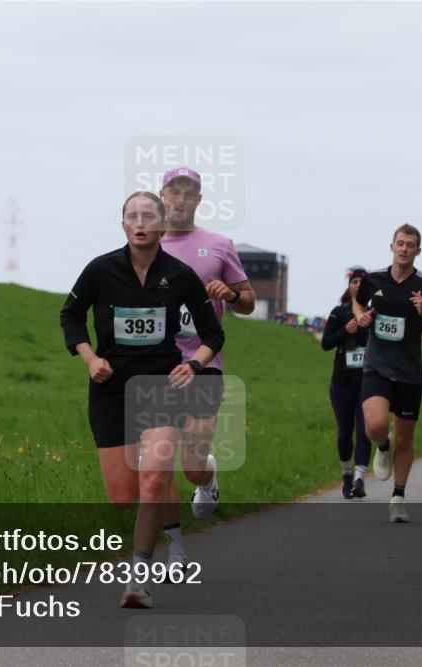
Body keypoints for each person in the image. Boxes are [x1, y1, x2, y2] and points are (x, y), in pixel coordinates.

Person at [60, 191, 224, 608]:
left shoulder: (182, 275)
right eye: (132, 216)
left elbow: (213, 334)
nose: (140, 222)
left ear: (163, 226)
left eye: (148, 216)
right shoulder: (100, 270)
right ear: (123, 226)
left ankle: (138, 577)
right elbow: (70, 316)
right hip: (111, 390)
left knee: (153, 479)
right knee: (122, 497)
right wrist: (90, 357)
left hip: (161, 387)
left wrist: (197, 365)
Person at [157, 167, 256, 574]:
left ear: (199, 200)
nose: (181, 199)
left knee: (191, 465)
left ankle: (208, 476)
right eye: (174, 191)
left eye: (189, 193)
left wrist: (230, 293)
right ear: (163, 195)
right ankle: (175, 552)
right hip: (155, 368)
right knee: (159, 462)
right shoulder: (144, 245)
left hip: (203, 365)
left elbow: (247, 301)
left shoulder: (218, 245)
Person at [353, 224, 422, 523]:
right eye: (400, 243)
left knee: (406, 437)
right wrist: (361, 317)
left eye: (410, 245)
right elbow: (357, 301)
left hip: (409, 371)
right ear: (392, 246)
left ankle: (398, 498)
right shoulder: (374, 279)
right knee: (376, 424)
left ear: (418, 251)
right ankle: (382, 445)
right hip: (377, 364)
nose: (404, 249)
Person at [321, 266, 372, 499]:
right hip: (342, 381)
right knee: (345, 432)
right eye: (354, 282)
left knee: (364, 431)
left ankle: (360, 479)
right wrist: (344, 330)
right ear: (349, 286)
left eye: (362, 282)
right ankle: (347, 474)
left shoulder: (374, 313)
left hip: (369, 381)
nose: (358, 286)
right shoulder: (339, 312)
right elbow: (326, 343)